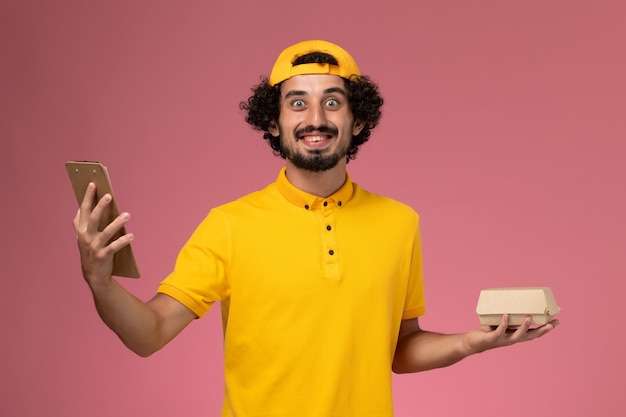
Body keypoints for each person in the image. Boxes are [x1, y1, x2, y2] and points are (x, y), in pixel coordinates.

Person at [73, 40, 559, 416]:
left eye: (332, 101)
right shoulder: (228, 225)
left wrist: (473, 341)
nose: (315, 118)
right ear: (273, 122)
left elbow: (401, 347)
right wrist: (100, 280)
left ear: (358, 120)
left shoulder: (399, 222)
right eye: (297, 103)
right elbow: (149, 334)